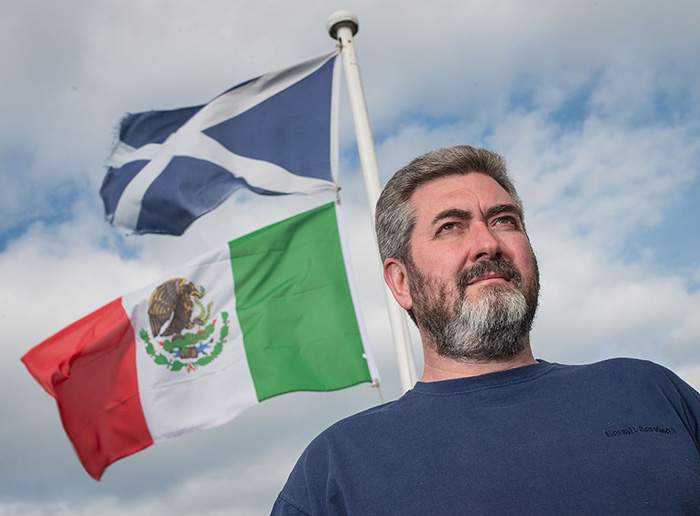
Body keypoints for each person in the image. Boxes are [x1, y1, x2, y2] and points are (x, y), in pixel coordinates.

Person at [271, 145, 700, 515]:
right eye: (451, 227)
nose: (487, 243)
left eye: (504, 220)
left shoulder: (648, 391)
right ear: (401, 282)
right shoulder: (336, 468)